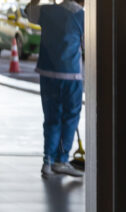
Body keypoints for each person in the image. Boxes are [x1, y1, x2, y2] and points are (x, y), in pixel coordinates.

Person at [27, 0, 85, 178]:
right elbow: (88, 46)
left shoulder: (45, 11)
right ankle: (61, 159)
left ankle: (48, 161)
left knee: (51, 118)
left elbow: (28, 11)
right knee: (69, 118)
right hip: (71, 75)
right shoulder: (82, 16)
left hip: (47, 73)